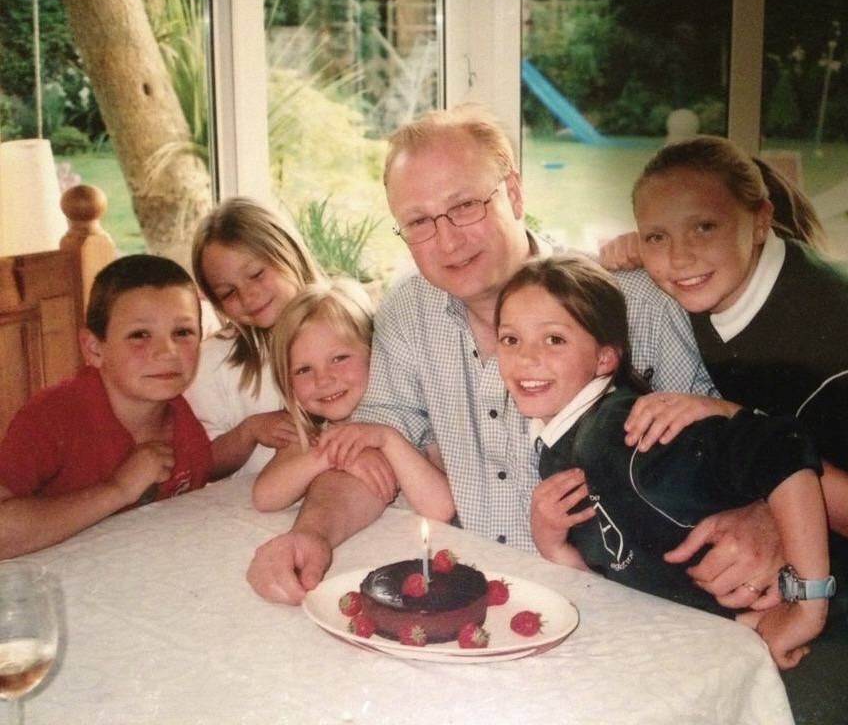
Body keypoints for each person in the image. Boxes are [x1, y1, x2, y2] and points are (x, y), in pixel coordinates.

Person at [245, 105, 753, 606]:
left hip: (619, 595)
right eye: (419, 221)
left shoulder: (630, 301)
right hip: (473, 590)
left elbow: (726, 449)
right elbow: (369, 450)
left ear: (512, 193)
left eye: (465, 206)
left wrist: (762, 519)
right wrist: (313, 535)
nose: (447, 240)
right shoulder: (407, 311)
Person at [606, 135, 848, 722]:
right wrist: (646, 249)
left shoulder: (839, 338)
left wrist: (731, 418)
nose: (679, 257)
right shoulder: (733, 280)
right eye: (657, 236)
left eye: (704, 229)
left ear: (761, 219)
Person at [495, 254, 848, 669]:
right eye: (510, 340)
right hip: (728, 645)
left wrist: (807, 607)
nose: (526, 359)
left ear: (605, 358)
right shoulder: (564, 448)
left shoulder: (622, 431)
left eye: (554, 339)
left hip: (821, 651)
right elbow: (621, 584)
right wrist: (554, 546)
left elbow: (783, 447)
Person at [0, 255, 211, 558]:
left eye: (183, 332)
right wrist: (118, 490)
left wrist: (245, 435)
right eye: (140, 335)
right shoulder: (49, 418)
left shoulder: (184, 422)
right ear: (94, 349)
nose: (168, 352)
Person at [252, 283, 455, 522]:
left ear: (374, 355)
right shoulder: (314, 436)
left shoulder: (410, 423)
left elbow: (442, 510)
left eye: (339, 358)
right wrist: (334, 456)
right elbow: (264, 497)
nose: (324, 379)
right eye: (303, 369)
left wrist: (388, 440)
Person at [186, 197, 326, 478]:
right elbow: (196, 466)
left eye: (256, 274)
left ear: (289, 252)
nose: (248, 296)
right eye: (228, 293)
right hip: (250, 512)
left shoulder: (352, 332)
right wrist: (248, 432)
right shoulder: (210, 363)